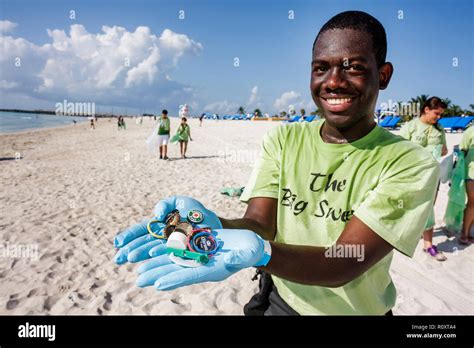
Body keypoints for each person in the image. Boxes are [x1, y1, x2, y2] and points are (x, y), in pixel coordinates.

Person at [114, 11, 439, 315]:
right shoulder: (284, 140)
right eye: (321, 68)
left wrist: (262, 252)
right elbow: (259, 225)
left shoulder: (410, 163)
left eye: (352, 67)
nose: (333, 81)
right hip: (279, 300)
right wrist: (213, 225)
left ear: (383, 75)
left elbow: (344, 262)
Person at [399, 97, 448, 261]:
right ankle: (407, 234)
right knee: (410, 207)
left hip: (431, 176)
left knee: (429, 209)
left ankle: (428, 244)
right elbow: (398, 150)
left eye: (441, 114)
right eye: (437, 113)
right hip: (412, 176)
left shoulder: (439, 129)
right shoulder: (411, 127)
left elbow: (444, 150)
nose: (438, 117)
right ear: (426, 109)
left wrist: (435, 151)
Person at [459, 125, 473, 244]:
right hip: (471, 172)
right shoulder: (470, 131)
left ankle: (469, 231)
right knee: (472, 203)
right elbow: (462, 151)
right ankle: (465, 232)